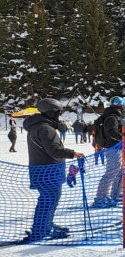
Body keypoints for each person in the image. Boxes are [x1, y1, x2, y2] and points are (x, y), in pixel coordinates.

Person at [23, 99, 84, 242]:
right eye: (58, 112)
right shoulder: (46, 128)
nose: (59, 115)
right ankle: (41, 229)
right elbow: (54, 151)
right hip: (48, 171)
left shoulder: (36, 126)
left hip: (41, 170)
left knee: (47, 200)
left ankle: (44, 225)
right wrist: (72, 153)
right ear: (51, 112)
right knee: (49, 200)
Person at [93, 96, 125, 208]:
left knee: (121, 171)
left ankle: (117, 194)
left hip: (118, 147)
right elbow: (111, 132)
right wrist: (123, 138)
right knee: (112, 171)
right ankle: (101, 198)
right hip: (113, 148)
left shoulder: (114, 116)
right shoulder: (112, 117)